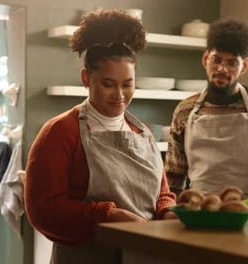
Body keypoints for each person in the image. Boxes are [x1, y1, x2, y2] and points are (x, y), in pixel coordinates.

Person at [24, 9, 176, 264]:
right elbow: (43, 210)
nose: (119, 94)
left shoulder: (142, 133)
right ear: (86, 78)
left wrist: (168, 211)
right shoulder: (60, 132)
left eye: (127, 84)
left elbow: (162, 193)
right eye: (108, 84)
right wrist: (108, 217)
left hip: (142, 255)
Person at [165, 18, 248, 200]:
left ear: (244, 66)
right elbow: (173, 177)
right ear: (206, 59)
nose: (222, 69)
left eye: (232, 63)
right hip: (197, 211)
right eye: (216, 60)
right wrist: (171, 212)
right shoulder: (185, 110)